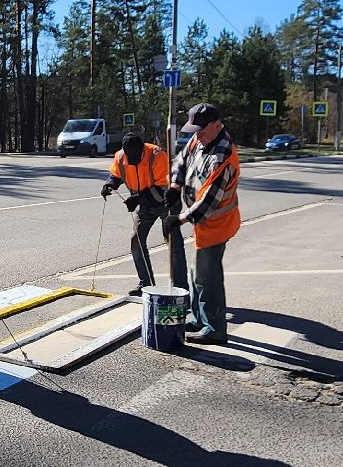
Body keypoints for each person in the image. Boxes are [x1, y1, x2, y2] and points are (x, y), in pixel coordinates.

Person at [170, 102, 240, 345]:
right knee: (196, 272)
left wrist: (180, 218)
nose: (196, 135)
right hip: (202, 223)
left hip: (217, 223)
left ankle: (215, 329)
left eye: (201, 130)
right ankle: (200, 318)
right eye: (194, 130)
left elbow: (209, 200)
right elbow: (181, 159)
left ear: (216, 125)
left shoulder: (222, 156)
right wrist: (175, 186)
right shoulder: (200, 140)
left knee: (207, 277)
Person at [100, 130, 172, 296]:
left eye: (135, 157)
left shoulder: (157, 155)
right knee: (136, 241)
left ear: (143, 149)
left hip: (166, 204)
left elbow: (163, 191)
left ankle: (179, 287)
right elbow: (116, 174)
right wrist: (110, 184)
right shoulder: (120, 157)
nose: (132, 161)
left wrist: (138, 198)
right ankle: (146, 284)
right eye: (129, 157)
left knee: (172, 241)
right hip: (144, 205)